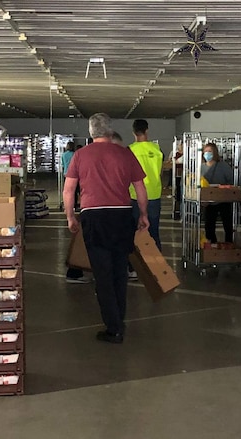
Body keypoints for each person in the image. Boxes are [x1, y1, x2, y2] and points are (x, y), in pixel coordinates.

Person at [64, 113, 149, 344]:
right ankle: (119, 320)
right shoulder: (125, 153)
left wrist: (71, 217)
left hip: (94, 217)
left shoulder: (80, 155)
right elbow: (140, 188)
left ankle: (114, 328)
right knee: (119, 271)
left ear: (91, 133)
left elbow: (69, 190)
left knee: (102, 274)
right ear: (110, 131)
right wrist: (143, 214)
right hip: (121, 215)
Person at [129, 119, 163, 250]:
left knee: (135, 233)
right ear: (147, 130)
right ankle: (158, 267)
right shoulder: (156, 149)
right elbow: (159, 172)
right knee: (154, 232)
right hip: (154, 195)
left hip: (135, 196)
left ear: (133, 132)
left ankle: (134, 267)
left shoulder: (130, 150)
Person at [62, 141, 88, 284]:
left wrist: (70, 215)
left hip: (69, 175)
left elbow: (67, 191)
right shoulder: (78, 156)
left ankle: (75, 271)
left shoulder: (71, 156)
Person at [202, 143, 234, 245]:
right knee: (209, 225)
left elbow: (231, 181)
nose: (207, 154)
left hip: (224, 199)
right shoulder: (201, 168)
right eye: (205, 151)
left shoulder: (224, 166)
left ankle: (229, 245)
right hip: (209, 201)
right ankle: (212, 246)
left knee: (227, 224)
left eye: (209, 151)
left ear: (215, 153)